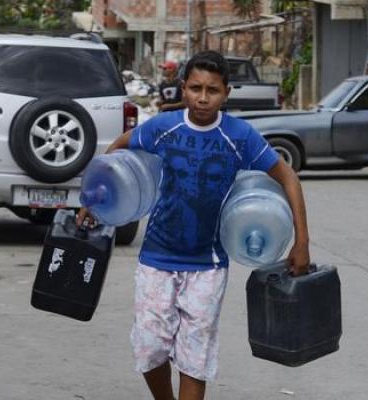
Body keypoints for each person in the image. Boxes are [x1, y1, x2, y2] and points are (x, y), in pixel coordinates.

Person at [78, 50, 310, 400]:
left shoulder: (240, 136)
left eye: (213, 90)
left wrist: (302, 241)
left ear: (226, 93)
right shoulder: (163, 127)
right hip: (157, 256)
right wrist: (95, 198)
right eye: (196, 88)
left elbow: (288, 177)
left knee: (194, 357)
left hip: (208, 264)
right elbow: (121, 147)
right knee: (149, 347)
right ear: (183, 88)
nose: (203, 98)